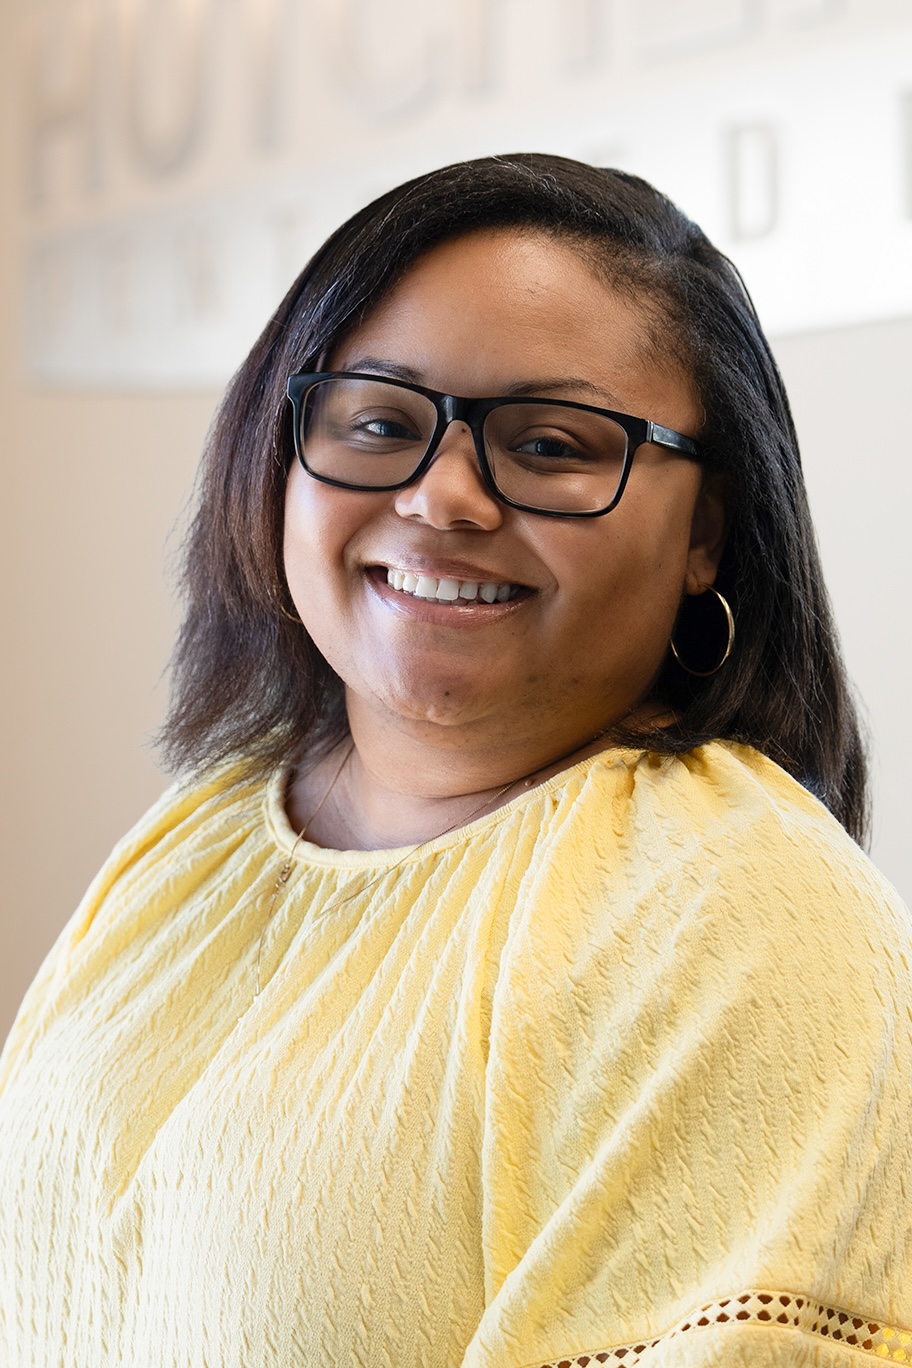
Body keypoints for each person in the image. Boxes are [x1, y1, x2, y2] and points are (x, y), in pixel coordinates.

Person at [0, 153, 909, 1367]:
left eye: (549, 444)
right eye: (379, 420)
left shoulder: (750, 916)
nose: (443, 497)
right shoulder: (204, 830)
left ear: (710, 532)